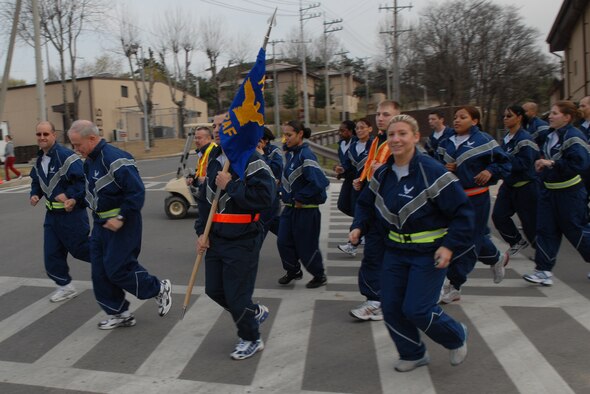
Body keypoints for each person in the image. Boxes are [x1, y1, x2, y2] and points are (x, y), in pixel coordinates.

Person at [351, 115, 472, 372]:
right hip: (394, 251)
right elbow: (365, 203)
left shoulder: (433, 172)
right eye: (392, 134)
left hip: (428, 254)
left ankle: (456, 335)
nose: (396, 139)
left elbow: (463, 213)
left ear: (416, 137)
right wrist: (358, 226)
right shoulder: (382, 173)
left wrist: (449, 246)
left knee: (417, 309)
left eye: (402, 133)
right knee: (392, 308)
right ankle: (413, 353)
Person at [67, 120, 172, 329]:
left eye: (77, 144)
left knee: (118, 269)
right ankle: (120, 313)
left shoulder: (116, 158)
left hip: (123, 223)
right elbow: (93, 191)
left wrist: (121, 218)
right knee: (99, 271)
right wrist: (76, 200)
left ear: (92, 138)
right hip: (100, 224)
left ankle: (158, 288)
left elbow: (136, 192)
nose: (75, 149)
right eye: (72, 145)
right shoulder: (89, 162)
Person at [195, 126, 276, 360]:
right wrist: (202, 232)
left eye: (224, 125)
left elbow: (266, 199)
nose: (218, 131)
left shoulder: (251, 158)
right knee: (214, 289)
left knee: (237, 296)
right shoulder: (213, 157)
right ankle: (253, 312)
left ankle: (251, 337)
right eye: (215, 126)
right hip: (216, 237)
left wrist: (231, 185)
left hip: (243, 238)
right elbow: (205, 199)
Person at [437, 106, 511, 303]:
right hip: (452, 197)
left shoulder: (484, 140)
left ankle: (455, 285)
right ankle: (496, 258)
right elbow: (435, 165)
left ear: (475, 121)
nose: (457, 120)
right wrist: (445, 168)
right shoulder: (446, 142)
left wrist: (490, 171)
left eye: (463, 117)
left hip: (476, 197)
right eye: (455, 117)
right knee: (470, 236)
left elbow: (505, 164)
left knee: (466, 240)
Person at [522, 101, 590, 285]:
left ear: (567, 117)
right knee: (545, 231)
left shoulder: (574, 137)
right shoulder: (549, 135)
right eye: (550, 113)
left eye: (554, 113)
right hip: (548, 192)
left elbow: (580, 164)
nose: (550, 116)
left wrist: (552, 164)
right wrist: (542, 164)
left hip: (570, 194)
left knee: (576, 231)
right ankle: (543, 271)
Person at [346, 100, 400, 321]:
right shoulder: (378, 141)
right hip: (376, 208)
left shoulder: (404, 146)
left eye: (386, 114)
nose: (380, 118)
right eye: (378, 114)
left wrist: (386, 170)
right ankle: (375, 301)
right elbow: (372, 166)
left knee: (399, 262)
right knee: (373, 257)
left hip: (398, 216)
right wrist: (364, 179)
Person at [29, 121, 91, 302]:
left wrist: (71, 197)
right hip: (52, 216)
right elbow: (36, 181)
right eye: (39, 134)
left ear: (54, 135)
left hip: (72, 215)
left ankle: (117, 265)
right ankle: (65, 287)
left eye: (45, 134)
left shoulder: (66, 156)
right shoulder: (39, 159)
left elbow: (83, 181)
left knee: (82, 250)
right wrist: (35, 195)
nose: (42, 137)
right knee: (51, 255)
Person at [277, 120, 330, 288]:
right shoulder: (291, 153)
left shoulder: (306, 155)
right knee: (283, 241)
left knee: (307, 246)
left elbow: (320, 182)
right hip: (290, 209)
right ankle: (293, 270)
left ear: (300, 134)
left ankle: (319, 275)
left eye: (289, 135)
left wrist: (300, 197)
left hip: (306, 210)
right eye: (284, 135)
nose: (286, 139)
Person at [491, 105, 540, 257]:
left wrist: (504, 159)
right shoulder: (506, 138)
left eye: (509, 116)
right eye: (504, 116)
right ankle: (516, 242)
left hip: (526, 187)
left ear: (519, 117)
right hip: (508, 186)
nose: (505, 119)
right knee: (498, 216)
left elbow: (525, 164)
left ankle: (542, 255)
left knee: (530, 225)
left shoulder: (525, 139)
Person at [337, 118, 374, 257]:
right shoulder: (353, 146)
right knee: (354, 209)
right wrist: (342, 169)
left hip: (370, 185)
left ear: (370, 129)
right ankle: (361, 233)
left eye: (362, 127)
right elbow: (347, 164)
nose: (359, 130)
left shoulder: (374, 146)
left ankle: (353, 243)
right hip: (356, 185)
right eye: (357, 128)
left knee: (361, 212)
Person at [259, 126, 283, 238]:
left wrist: (262, 155)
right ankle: (296, 242)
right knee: (279, 227)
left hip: (271, 197)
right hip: (256, 196)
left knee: (259, 231)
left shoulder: (274, 151)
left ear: (266, 140)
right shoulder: (251, 151)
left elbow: (275, 170)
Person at [334, 120, 356, 217]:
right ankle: (359, 219)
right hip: (347, 178)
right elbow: (343, 163)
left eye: (343, 130)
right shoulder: (341, 145)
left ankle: (359, 224)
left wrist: (344, 169)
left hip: (356, 179)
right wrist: (339, 170)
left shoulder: (356, 143)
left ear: (351, 131)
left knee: (355, 204)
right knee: (342, 204)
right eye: (339, 130)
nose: (340, 133)